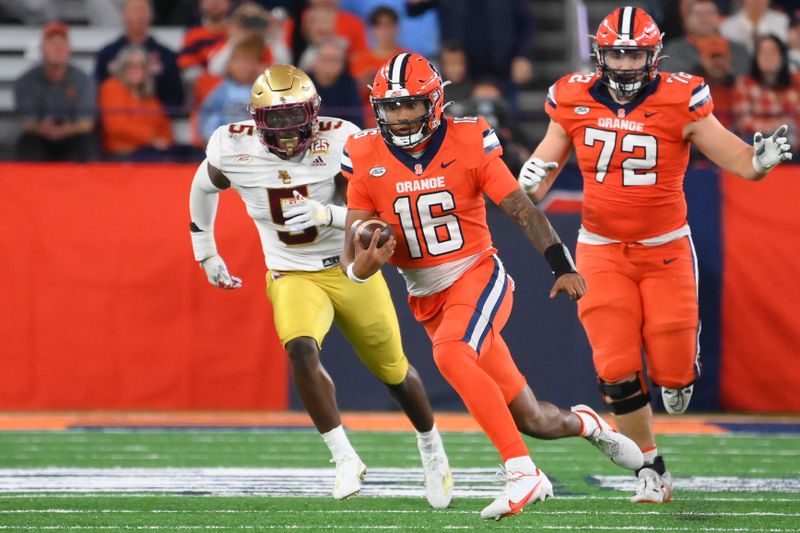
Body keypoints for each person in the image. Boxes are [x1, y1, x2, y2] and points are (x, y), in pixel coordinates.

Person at [340, 52, 644, 520]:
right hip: (426, 295)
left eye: (411, 105)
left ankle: (523, 472)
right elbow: (352, 258)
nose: (401, 117)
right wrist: (365, 263)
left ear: (435, 102)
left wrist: (560, 263)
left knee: (451, 354)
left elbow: (521, 208)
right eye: (392, 106)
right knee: (535, 420)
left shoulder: (468, 138)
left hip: (477, 273)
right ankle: (587, 424)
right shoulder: (364, 154)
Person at [518, 7, 793, 504]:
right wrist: (531, 179)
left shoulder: (679, 98)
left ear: (655, 56)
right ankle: (649, 465)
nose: (624, 65)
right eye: (617, 54)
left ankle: (681, 365)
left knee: (673, 375)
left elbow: (731, 154)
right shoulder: (573, 97)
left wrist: (758, 163)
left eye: (635, 54)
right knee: (615, 363)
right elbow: (545, 161)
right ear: (599, 56)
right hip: (600, 249)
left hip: (665, 248)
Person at [188, 64, 452, 508]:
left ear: (315, 112)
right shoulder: (231, 146)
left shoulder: (343, 139)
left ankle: (431, 448)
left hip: (349, 267)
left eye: (296, 117)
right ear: (256, 119)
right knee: (301, 348)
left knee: (394, 373)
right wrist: (206, 252)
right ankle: (344, 457)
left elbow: (377, 213)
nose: (289, 131)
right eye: (276, 119)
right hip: (290, 272)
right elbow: (201, 186)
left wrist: (326, 214)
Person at [14, 21, 97, 162]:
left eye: (62, 44)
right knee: (27, 144)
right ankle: (29, 183)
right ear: (42, 49)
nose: (57, 48)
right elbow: (26, 123)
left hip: (73, 135)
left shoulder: (84, 81)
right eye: (52, 44)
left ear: (69, 49)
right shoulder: (26, 81)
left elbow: (86, 123)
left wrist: (68, 129)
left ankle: (85, 183)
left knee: (87, 144)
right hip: (39, 135)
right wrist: (43, 129)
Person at [94, 0, 184, 112]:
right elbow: (98, 95)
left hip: (153, 118)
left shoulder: (166, 56)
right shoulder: (106, 54)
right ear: (124, 15)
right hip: (116, 118)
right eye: (135, 10)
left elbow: (175, 98)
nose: (139, 15)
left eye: (143, 10)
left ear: (151, 16)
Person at [98, 44, 173, 159]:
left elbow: (165, 128)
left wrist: (164, 142)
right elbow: (117, 126)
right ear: (121, 68)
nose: (136, 69)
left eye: (141, 65)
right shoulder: (111, 87)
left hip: (152, 152)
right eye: (130, 65)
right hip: (122, 154)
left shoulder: (150, 98)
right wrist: (150, 138)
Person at [733, 35, 800, 147]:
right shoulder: (744, 83)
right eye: (763, 52)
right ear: (756, 57)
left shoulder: (795, 82)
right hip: (757, 141)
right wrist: (778, 126)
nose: (767, 56)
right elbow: (744, 122)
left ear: (782, 57)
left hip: (792, 141)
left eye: (772, 51)